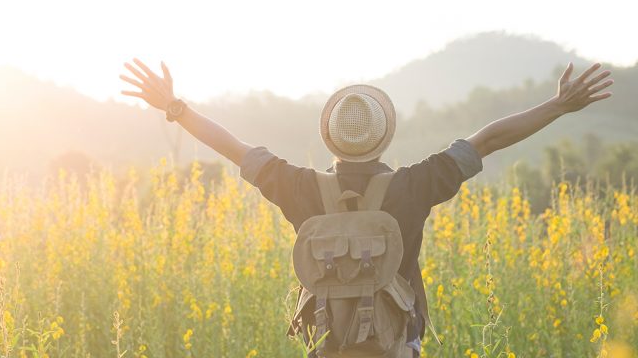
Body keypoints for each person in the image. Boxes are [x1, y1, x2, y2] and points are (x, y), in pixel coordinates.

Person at [120, 58, 613, 357]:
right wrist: (558, 106)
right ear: (384, 135)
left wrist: (175, 107)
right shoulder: (415, 185)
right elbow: (490, 139)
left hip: (329, 349)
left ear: (330, 137)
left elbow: (232, 146)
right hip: (399, 347)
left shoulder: (299, 188)